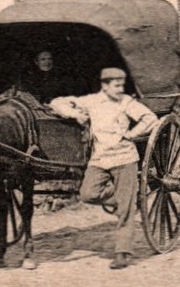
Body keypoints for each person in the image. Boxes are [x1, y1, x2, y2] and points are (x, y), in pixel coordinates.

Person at [49, 68, 158, 270]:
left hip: (125, 158)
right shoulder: (91, 102)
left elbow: (150, 118)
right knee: (87, 194)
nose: (120, 89)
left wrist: (132, 134)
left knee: (125, 209)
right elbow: (56, 103)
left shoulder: (126, 102)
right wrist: (74, 114)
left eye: (121, 85)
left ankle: (122, 252)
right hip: (100, 159)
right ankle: (126, 199)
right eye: (116, 85)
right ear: (105, 86)